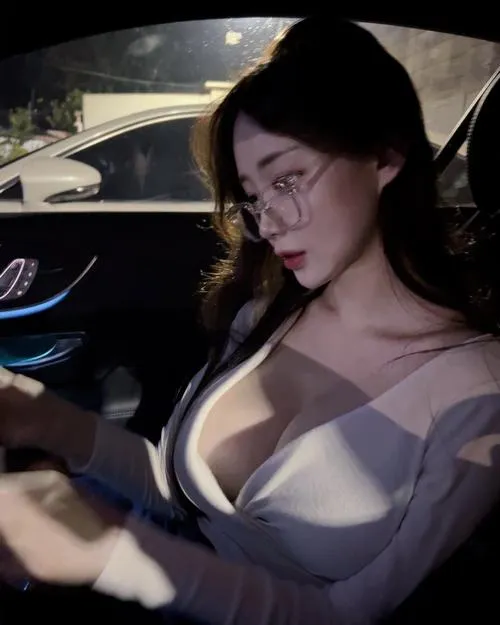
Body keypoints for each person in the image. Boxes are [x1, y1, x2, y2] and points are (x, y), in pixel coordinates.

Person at [0, 17, 499, 625]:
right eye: (254, 196)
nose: (270, 222)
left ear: (384, 157)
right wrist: (47, 420)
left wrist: (113, 555)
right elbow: (182, 495)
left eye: (286, 179)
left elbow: (347, 615)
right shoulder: (267, 314)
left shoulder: (479, 389)